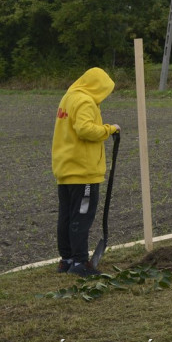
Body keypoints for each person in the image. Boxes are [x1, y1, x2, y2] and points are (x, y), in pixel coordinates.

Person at [52, 67, 120, 277]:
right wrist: (110, 129)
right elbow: (85, 129)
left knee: (66, 216)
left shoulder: (68, 98)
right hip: (83, 172)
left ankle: (67, 260)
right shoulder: (85, 101)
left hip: (66, 168)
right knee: (81, 217)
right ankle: (80, 263)